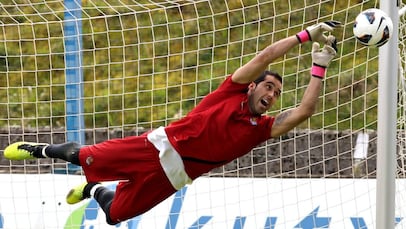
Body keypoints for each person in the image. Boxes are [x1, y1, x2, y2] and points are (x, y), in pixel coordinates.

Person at [4, 21, 340, 225]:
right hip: (156, 148)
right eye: (268, 86)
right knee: (82, 157)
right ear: (252, 85)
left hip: (174, 177)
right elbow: (266, 57)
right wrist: (305, 35)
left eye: (278, 92)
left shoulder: (262, 128)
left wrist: (319, 66)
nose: (272, 94)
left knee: (114, 215)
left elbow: (304, 111)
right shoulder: (231, 90)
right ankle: (45, 149)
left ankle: (92, 188)